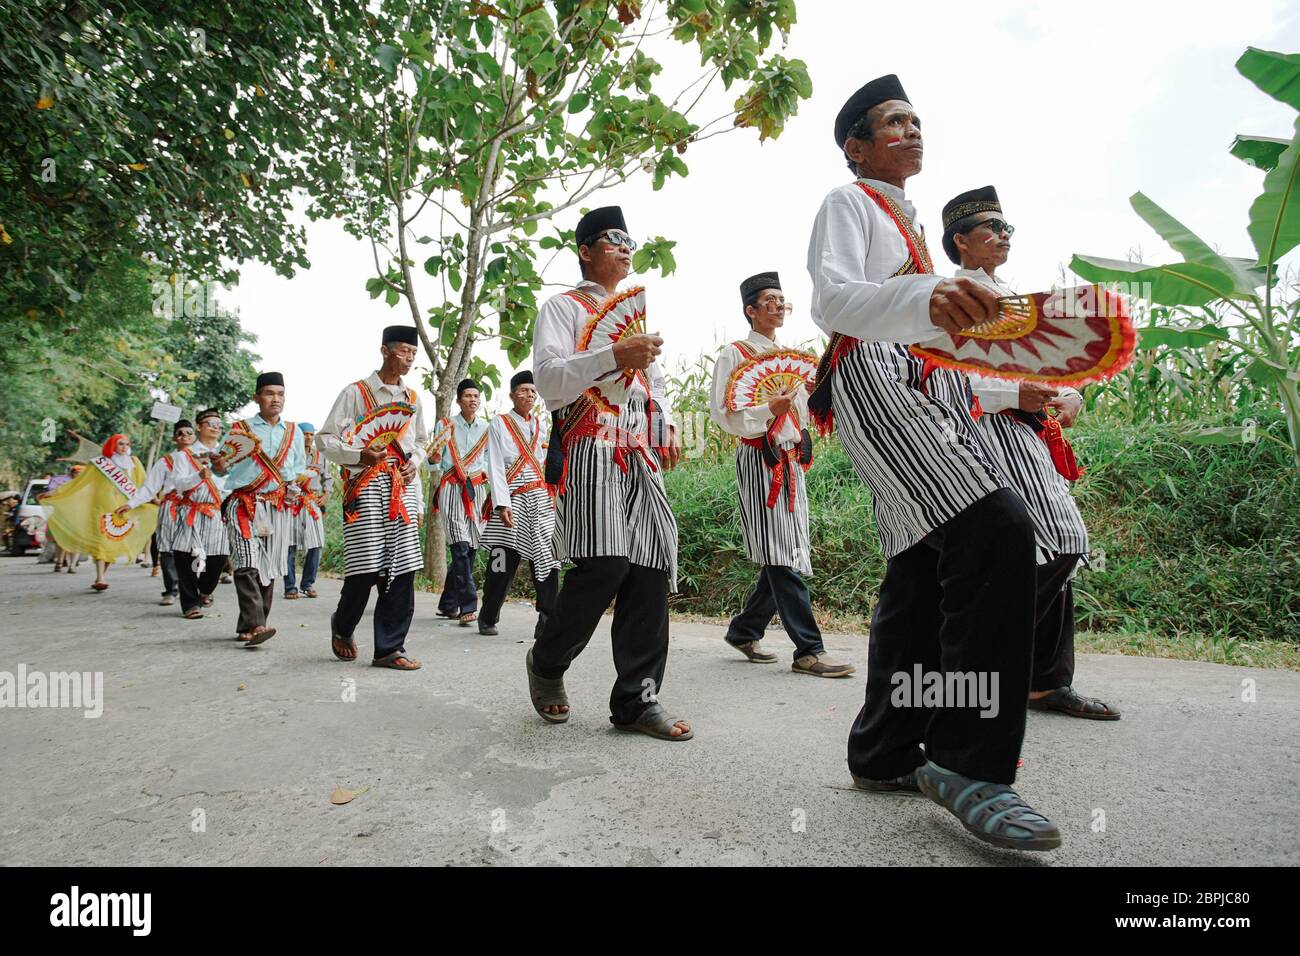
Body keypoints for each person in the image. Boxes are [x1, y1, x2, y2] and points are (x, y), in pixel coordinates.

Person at [807, 75, 1059, 850]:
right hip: (873, 375)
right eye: (893, 122)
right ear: (857, 145)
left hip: (932, 384)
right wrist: (927, 299)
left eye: (918, 121)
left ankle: (883, 752)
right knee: (997, 527)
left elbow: (942, 332)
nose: (912, 131)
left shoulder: (915, 230)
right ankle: (968, 762)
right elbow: (833, 299)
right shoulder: (849, 203)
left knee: (922, 563)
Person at [942, 185, 1120, 721]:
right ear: (961, 243)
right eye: (990, 230)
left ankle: (1042, 681)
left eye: (1007, 229)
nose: (1003, 237)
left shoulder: (1013, 299)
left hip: (1028, 435)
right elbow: (939, 385)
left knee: (1052, 548)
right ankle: (980, 667)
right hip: (982, 436)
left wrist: (1070, 391)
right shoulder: (950, 301)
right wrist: (1008, 394)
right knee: (1056, 541)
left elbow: (1046, 368)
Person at [529, 204, 692, 741]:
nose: (624, 247)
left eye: (629, 240)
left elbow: (655, 385)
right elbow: (550, 381)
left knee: (648, 568)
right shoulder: (562, 308)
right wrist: (611, 355)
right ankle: (548, 662)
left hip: (637, 450)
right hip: (589, 445)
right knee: (604, 566)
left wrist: (665, 424)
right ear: (585, 250)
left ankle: (637, 701)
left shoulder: (633, 318)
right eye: (611, 238)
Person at [710, 271, 855, 677]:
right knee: (781, 553)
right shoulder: (734, 354)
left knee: (788, 549)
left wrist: (802, 430)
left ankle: (745, 629)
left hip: (790, 460)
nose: (778, 306)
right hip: (760, 460)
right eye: (768, 300)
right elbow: (725, 414)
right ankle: (809, 650)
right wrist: (765, 413)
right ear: (750, 310)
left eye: (782, 300)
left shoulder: (788, 358)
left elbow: (803, 409)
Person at [316, 326, 429, 670]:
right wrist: (358, 455)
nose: (409, 358)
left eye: (413, 353)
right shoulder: (356, 393)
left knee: (403, 567)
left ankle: (389, 649)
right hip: (364, 485)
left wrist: (414, 465)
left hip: (401, 485)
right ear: (384, 351)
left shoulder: (412, 399)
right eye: (403, 351)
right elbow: (325, 439)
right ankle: (343, 624)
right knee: (365, 568)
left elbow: (422, 442)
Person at [212, 373, 305, 646]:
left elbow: (297, 469)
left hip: (276, 506)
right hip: (243, 503)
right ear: (256, 398)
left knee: (269, 565)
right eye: (268, 393)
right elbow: (221, 466)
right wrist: (218, 464)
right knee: (246, 562)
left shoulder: (293, 431)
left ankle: (249, 625)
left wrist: (293, 491)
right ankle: (257, 624)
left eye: (280, 393)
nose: (275, 399)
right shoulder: (240, 428)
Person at [478, 370, 560, 638]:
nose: (529, 395)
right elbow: (495, 466)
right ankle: (488, 615)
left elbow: (545, 462)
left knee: (547, 556)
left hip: (538, 499)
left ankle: (547, 619)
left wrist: (554, 497)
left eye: (533, 391)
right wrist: (502, 504)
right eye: (523, 390)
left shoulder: (539, 424)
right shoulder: (499, 423)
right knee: (502, 561)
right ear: (512, 395)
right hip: (511, 498)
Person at [41, 433, 158, 591]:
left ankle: (100, 575)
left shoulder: (134, 463)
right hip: (101, 507)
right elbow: (79, 483)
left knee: (112, 542)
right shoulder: (99, 464)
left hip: (124, 509)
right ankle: (100, 578)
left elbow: (144, 485)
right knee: (102, 542)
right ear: (112, 445)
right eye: (121, 444)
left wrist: (154, 499)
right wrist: (55, 493)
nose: (125, 447)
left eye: (127, 444)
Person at [118, 420, 195, 606]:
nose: (184, 436)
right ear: (174, 438)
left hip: (196, 508)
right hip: (170, 507)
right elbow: (149, 487)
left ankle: (196, 590)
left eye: (188, 432)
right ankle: (171, 589)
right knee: (167, 550)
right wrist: (130, 504)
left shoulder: (204, 458)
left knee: (195, 550)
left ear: (195, 436)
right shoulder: (166, 461)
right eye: (180, 433)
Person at [431, 379, 489, 624]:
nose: (473, 400)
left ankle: (448, 603)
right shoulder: (445, 425)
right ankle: (469, 604)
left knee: (472, 546)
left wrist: (481, 472)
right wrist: (434, 456)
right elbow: (433, 460)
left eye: (476, 396)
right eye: (468, 395)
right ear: (458, 399)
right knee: (460, 546)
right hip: (452, 488)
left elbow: (489, 459)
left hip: (476, 491)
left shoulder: (486, 428)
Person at [285, 422, 331, 600]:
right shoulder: (289, 454)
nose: (309, 437)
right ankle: (290, 586)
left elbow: (327, 477)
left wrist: (326, 494)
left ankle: (308, 584)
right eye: (305, 434)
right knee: (289, 544)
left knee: (316, 543)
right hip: (293, 501)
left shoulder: (320, 455)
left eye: (311, 434)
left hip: (312, 501)